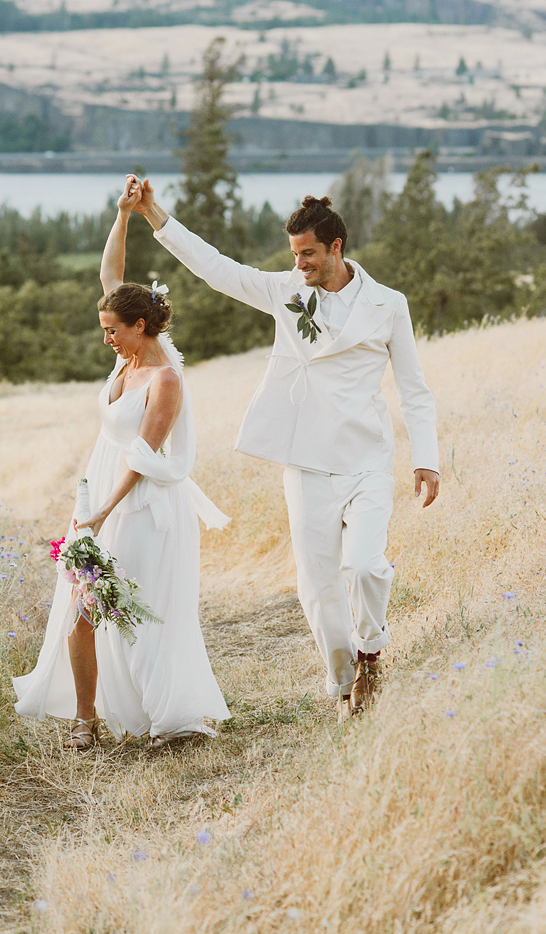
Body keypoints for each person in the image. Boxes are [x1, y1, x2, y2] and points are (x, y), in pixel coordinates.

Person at [130, 179, 440, 720]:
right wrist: (153, 212)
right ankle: (347, 685)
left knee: (365, 568)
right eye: (295, 255)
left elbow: (414, 388)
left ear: (336, 248)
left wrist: (426, 458)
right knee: (318, 587)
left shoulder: (390, 305)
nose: (300, 265)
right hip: (307, 459)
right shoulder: (286, 292)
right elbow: (216, 267)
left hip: (367, 458)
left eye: (309, 254)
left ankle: (371, 651)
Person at [13, 177, 231, 749]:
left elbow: (143, 454)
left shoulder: (165, 378)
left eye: (113, 331)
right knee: (81, 605)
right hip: (99, 497)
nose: (107, 339)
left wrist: (104, 510)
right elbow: (112, 279)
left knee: (137, 609)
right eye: (104, 329)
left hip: (141, 505)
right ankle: (87, 718)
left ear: (142, 325)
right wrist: (123, 214)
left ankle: (168, 718)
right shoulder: (128, 346)